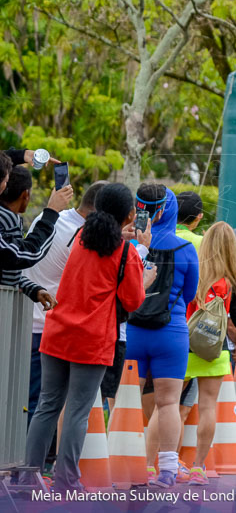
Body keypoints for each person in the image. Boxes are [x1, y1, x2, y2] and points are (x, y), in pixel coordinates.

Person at [24, 183, 151, 493]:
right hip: (92, 340)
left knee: (47, 406)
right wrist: (143, 263)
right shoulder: (125, 254)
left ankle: (28, 476)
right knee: (77, 412)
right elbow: (133, 301)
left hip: (56, 332)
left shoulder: (80, 237)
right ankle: (66, 480)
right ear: (130, 215)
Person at [126, 184, 199, 487]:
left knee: (126, 400)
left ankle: (124, 465)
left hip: (132, 330)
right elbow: (192, 293)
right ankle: (167, 470)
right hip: (171, 333)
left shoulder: (130, 246)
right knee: (169, 404)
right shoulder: (186, 249)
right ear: (169, 208)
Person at [22, 181, 108, 425]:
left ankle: (32, 456)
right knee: (45, 402)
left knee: (32, 398)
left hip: (29, 318)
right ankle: (38, 460)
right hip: (49, 326)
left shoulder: (51, 216)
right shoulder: (82, 238)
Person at [182, 221, 236, 485]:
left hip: (185, 344)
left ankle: (161, 464)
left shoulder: (193, 270)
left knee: (172, 407)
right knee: (208, 407)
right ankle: (199, 467)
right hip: (215, 349)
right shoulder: (233, 280)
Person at [0, 164, 72, 307]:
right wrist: (52, 212)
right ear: (25, 195)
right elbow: (26, 253)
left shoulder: (9, 220)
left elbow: (6, 268)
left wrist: (33, 289)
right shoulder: (4, 220)